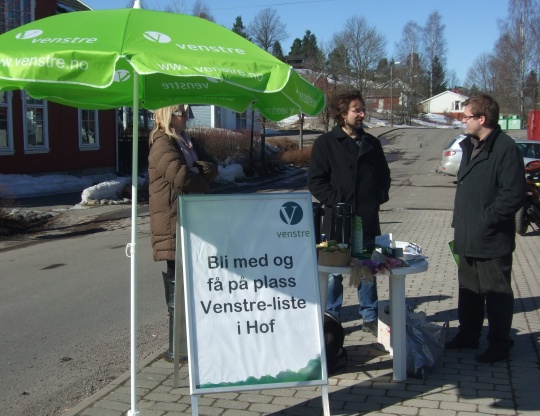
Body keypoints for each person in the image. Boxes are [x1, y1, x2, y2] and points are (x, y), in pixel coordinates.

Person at [446, 94, 525, 363]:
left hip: (491, 237)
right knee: (469, 291)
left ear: (482, 119)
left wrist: (485, 219)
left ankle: (500, 344)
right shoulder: (470, 145)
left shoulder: (505, 148)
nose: (463, 121)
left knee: (497, 294)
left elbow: (513, 195)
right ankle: (468, 335)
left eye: (466, 117)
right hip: (468, 235)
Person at [308, 90, 391, 335]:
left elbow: (384, 176)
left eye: (363, 110)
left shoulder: (372, 143)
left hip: (366, 218)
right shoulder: (325, 143)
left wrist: (378, 198)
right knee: (334, 273)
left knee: (366, 268)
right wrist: (338, 202)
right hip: (337, 221)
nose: (362, 114)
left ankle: (370, 316)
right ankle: (332, 317)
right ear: (343, 114)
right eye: (357, 110)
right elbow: (316, 182)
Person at [148, 104, 218, 362]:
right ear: (168, 114)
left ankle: (188, 342)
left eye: (186, 111)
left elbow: (210, 167)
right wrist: (202, 174)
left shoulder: (185, 142)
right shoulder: (162, 144)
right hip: (172, 223)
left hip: (188, 220)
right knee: (178, 283)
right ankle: (176, 348)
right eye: (181, 112)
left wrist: (202, 171)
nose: (186, 115)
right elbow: (183, 178)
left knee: (191, 283)